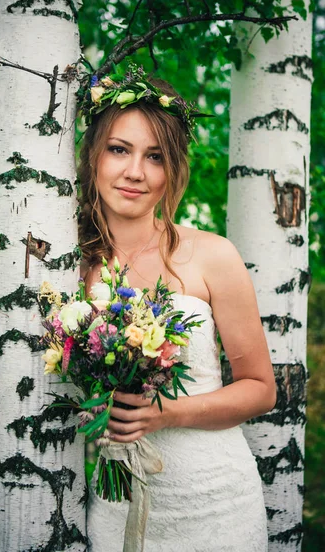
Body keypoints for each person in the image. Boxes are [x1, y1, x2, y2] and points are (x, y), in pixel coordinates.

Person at [77, 65, 276, 551]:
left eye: (155, 157)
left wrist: (165, 413)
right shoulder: (68, 268)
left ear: (173, 170)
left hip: (216, 501)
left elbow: (260, 390)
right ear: (92, 157)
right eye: (119, 149)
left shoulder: (213, 255)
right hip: (114, 505)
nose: (135, 172)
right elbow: (11, 399)